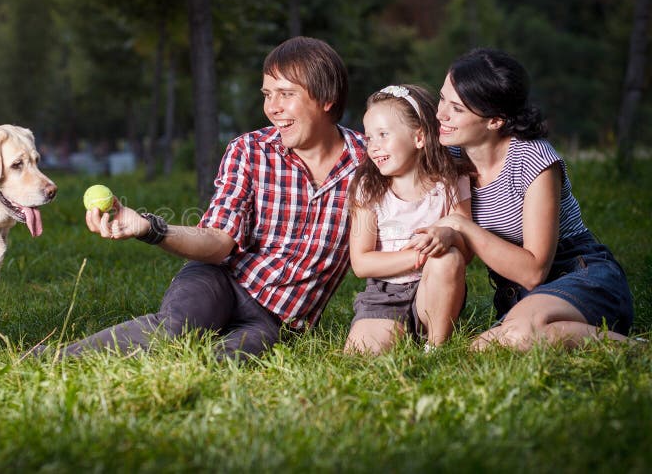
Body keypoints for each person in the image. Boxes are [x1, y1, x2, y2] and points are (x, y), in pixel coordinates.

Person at [32, 36, 366, 361]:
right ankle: (52, 358)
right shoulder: (249, 151)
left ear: (327, 98)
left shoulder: (369, 164)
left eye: (286, 94)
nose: (272, 108)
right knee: (174, 333)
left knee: (225, 362)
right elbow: (218, 241)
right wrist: (149, 228)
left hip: (278, 319)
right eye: (267, 94)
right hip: (220, 279)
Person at [434, 48, 634, 350]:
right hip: (519, 295)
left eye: (457, 109)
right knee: (485, 348)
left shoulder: (533, 159)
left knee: (512, 337)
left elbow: (534, 271)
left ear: (495, 121)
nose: (441, 114)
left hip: (578, 273)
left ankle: (638, 352)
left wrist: (461, 225)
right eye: (442, 98)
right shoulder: (452, 153)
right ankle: (616, 343)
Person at [343, 84, 472, 355]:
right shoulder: (368, 187)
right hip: (384, 295)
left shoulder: (449, 181)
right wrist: (419, 254)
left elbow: (467, 249)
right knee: (360, 356)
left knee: (448, 257)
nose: (374, 147)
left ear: (419, 137)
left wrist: (449, 237)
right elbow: (362, 263)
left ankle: (436, 345)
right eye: (369, 138)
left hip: (433, 289)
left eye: (383, 135)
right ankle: (397, 329)